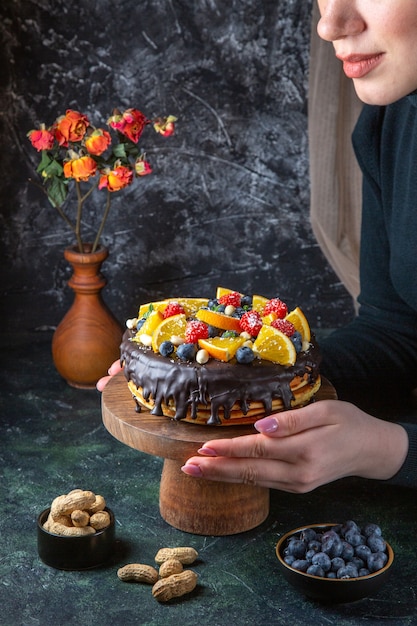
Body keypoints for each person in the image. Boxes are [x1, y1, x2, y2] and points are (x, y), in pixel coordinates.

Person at [98, 0, 417, 491]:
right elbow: (398, 332)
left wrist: (388, 449)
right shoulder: (389, 123)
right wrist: (240, 382)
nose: (330, 24)